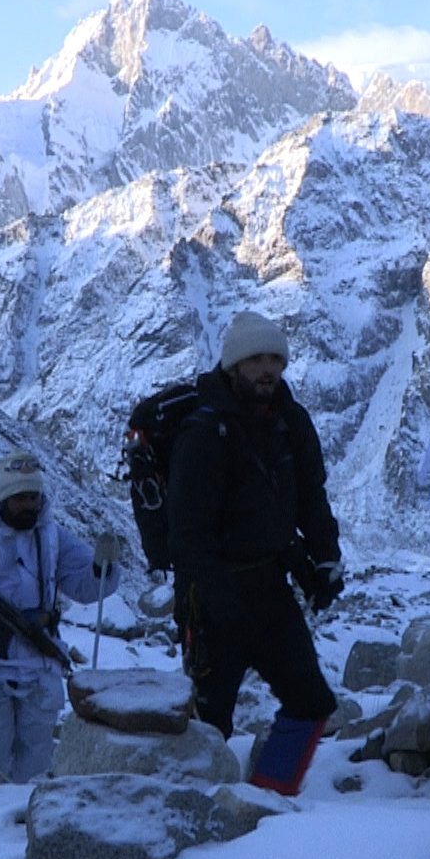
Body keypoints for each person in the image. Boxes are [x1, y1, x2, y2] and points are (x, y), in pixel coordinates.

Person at [168, 309, 345, 794]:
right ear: (233, 366)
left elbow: (311, 499)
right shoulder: (203, 433)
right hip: (212, 599)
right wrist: (215, 602)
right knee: (209, 726)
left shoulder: (291, 422)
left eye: (275, 359)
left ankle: (270, 800)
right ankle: (201, 807)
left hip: (270, 589)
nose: (268, 369)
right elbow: (187, 534)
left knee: (311, 701)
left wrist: (324, 560)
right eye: (255, 359)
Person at [0, 449, 117, 786]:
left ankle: (28, 814)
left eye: (33, 497)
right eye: (19, 498)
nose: (28, 505)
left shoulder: (52, 536)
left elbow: (85, 584)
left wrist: (103, 567)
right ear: (3, 498)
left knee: (37, 762)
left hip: (39, 665)